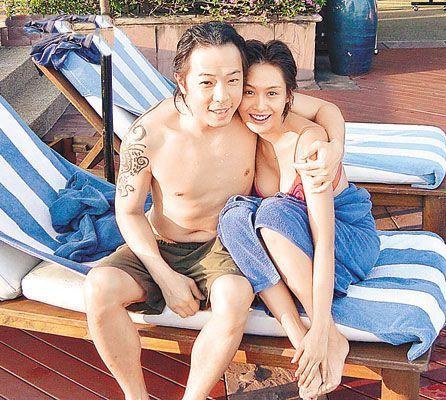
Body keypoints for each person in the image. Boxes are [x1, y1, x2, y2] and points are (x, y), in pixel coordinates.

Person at [83, 22, 346, 400]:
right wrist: (164, 276)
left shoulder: (248, 110)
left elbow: (324, 108)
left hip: (224, 247)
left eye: (233, 80)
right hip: (161, 245)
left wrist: (335, 147)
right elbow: (129, 212)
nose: (222, 97)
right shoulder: (149, 134)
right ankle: (135, 395)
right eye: (207, 83)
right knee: (98, 288)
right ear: (182, 81)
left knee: (235, 296)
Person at [218, 40, 381, 399]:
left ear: (289, 96)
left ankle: (328, 335)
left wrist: (321, 326)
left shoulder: (309, 143)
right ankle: (297, 335)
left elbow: (324, 241)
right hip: (289, 241)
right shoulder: (240, 127)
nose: (260, 105)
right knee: (233, 215)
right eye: (249, 92)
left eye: (272, 94)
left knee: (273, 211)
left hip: (345, 239)